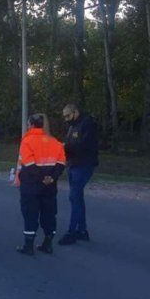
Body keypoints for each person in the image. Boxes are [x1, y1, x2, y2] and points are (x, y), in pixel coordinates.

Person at [15, 114, 67, 255]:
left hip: (31, 185)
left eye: (28, 124)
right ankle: (48, 243)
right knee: (49, 214)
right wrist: (51, 177)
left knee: (30, 214)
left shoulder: (27, 141)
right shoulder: (55, 142)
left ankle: (28, 246)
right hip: (49, 186)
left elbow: (29, 164)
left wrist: (42, 177)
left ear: (32, 125)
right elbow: (61, 163)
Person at [58, 103, 99, 245]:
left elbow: (83, 145)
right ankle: (82, 230)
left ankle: (72, 232)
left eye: (68, 115)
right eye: (65, 116)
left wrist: (66, 147)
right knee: (76, 198)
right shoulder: (72, 127)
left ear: (75, 112)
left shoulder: (87, 124)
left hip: (83, 165)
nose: (66, 119)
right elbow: (70, 143)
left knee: (74, 197)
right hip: (73, 164)